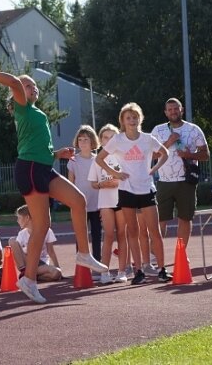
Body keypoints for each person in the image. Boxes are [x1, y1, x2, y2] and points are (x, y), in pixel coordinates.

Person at [0, 67, 106, 304]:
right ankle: (28, 279)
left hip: (42, 167)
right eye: (26, 85)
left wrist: (57, 154)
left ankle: (83, 254)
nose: (32, 87)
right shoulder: (23, 107)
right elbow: (10, 81)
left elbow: (40, 149)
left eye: (32, 85)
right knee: (42, 225)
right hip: (28, 169)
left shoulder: (36, 112)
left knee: (79, 201)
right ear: (17, 93)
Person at [95, 102, 170, 285]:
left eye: (135, 117)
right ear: (122, 121)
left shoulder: (147, 139)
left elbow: (165, 153)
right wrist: (116, 174)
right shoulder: (118, 140)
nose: (132, 120)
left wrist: (154, 169)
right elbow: (99, 158)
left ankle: (161, 269)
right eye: (128, 118)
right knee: (133, 232)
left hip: (146, 189)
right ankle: (138, 272)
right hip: (127, 190)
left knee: (154, 231)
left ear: (140, 119)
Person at [152, 98, 210, 247]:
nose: (173, 112)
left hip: (186, 182)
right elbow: (151, 155)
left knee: (185, 218)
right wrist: (169, 142)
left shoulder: (193, 129)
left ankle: (181, 254)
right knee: (160, 219)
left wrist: (189, 155)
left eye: (176, 108)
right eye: (170, 109)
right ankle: (154, 256)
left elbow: (206, 155)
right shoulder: (158, 130)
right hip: (164, 181)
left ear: (181, 110)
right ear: (165, 112)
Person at [88, 124, 129, 284]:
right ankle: (105, 273)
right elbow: (93, 183)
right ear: (100, 140)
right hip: (105, 202)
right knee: (109, 235)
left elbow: (129, 177)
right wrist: (102, 185)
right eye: (105, 137)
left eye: (112, 136)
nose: (109, 139)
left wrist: (117, 182)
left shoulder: (123, 156)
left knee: (122, 235)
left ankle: (122, 271)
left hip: (122, 200)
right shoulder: (97, 159)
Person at [67, 125, 102, 261]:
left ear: (92, 141)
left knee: (97, 235)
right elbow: (70, 183)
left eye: (86, 139)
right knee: (80, 236)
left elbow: (101, 181)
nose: (82, 142)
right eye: (80, 139)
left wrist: (103, 204)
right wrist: (72, 202)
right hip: (80, 205)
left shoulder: (98, 160)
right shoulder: (73, 160)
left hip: (96, 204)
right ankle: (82, 266)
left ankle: (97, 263)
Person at [9, 205, 62, 282]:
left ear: (27, 218)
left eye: (19, 218)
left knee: (56, 273)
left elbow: (51, 251)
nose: (17, 220)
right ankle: (25, 271)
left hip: (40, 264)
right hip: (27, 262)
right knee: (12, 240)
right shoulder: (21, 234)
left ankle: (32, 276)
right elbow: (18, 253)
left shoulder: (47, 231)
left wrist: (58, 267)